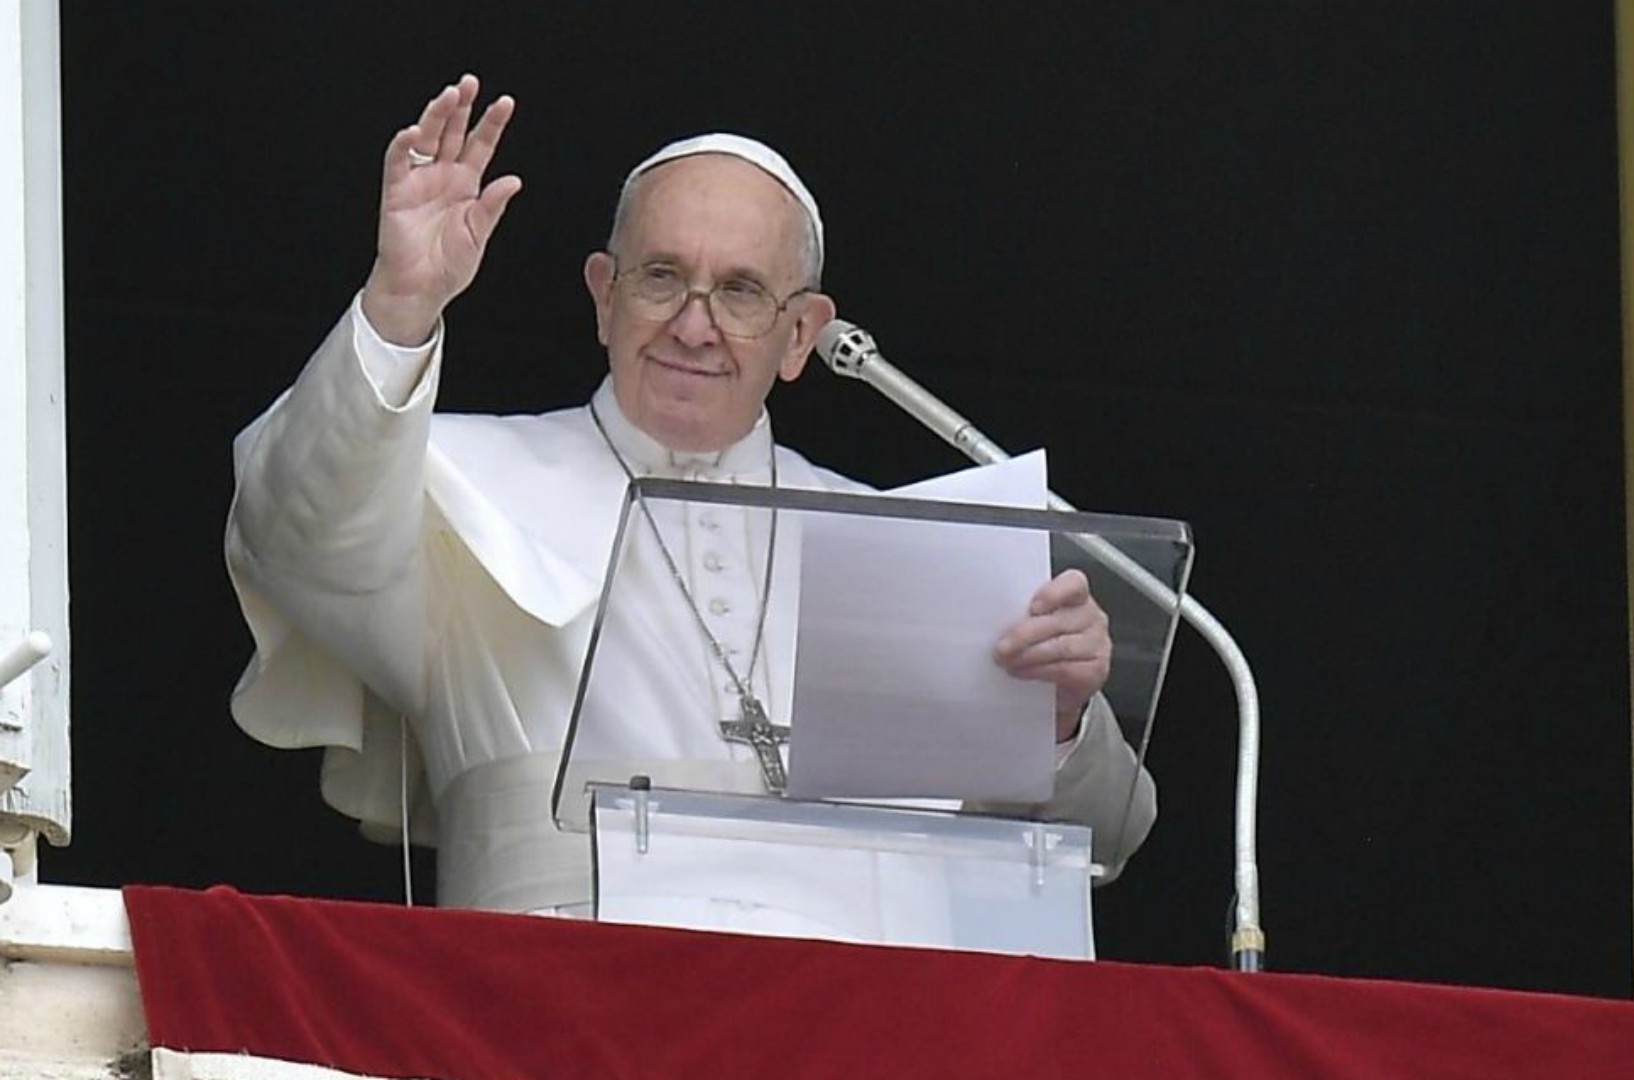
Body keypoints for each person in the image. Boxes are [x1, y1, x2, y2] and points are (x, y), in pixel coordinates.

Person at [225, 75, 1155, 919]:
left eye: (742, 292)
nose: (695, 326)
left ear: (801, 336)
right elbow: (294, 530)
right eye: (662, 277)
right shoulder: (452, 477)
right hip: (548, 1020)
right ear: (603, 296)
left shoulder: (906, 543)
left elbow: (1099, 842)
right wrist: (400, 302)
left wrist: (1061, 717)